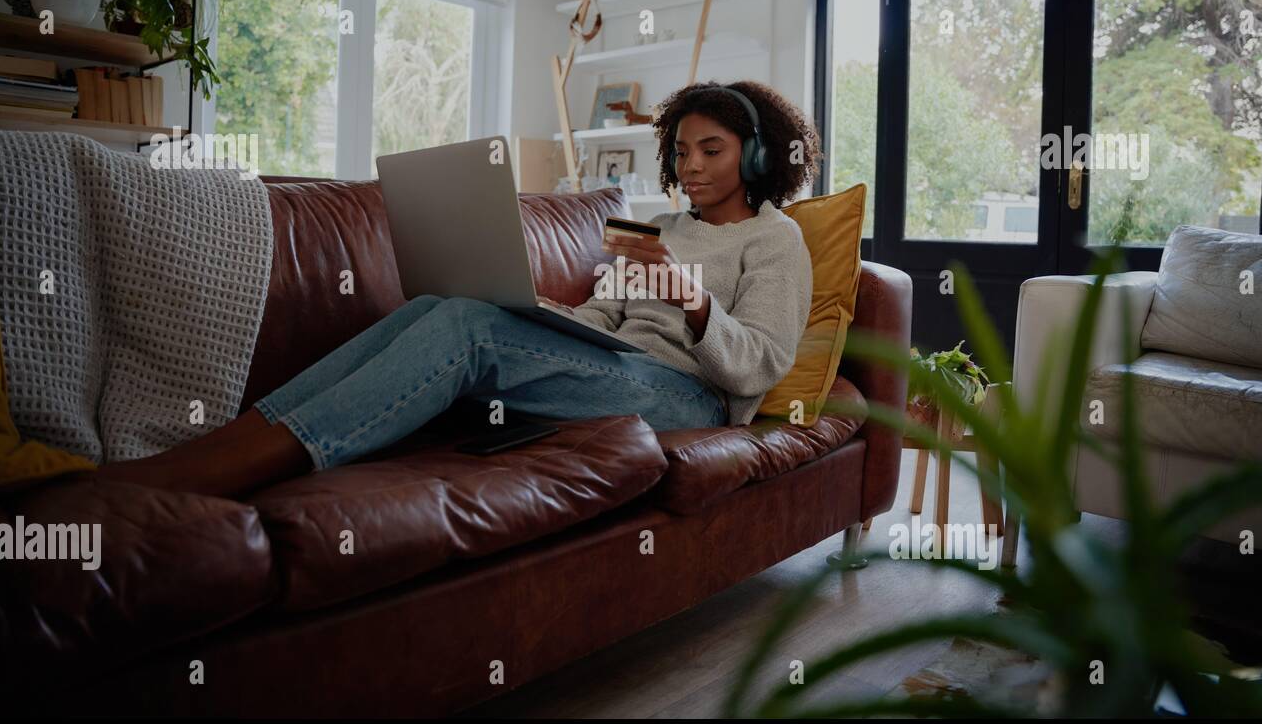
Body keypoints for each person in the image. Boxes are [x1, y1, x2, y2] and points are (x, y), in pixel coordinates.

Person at [98, 80, 819, 498]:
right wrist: (540, 313)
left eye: (711, 150)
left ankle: (236, 468)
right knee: (443, 307)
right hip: (618, 368)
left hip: (690, 397)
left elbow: (757, 364)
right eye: (682, 151)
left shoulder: (774, 238)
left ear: (754, 154)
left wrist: (694, 302)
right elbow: (605, 316)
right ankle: (233, 438)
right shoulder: (657, 225)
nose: (690, 165)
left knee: (468, 333)